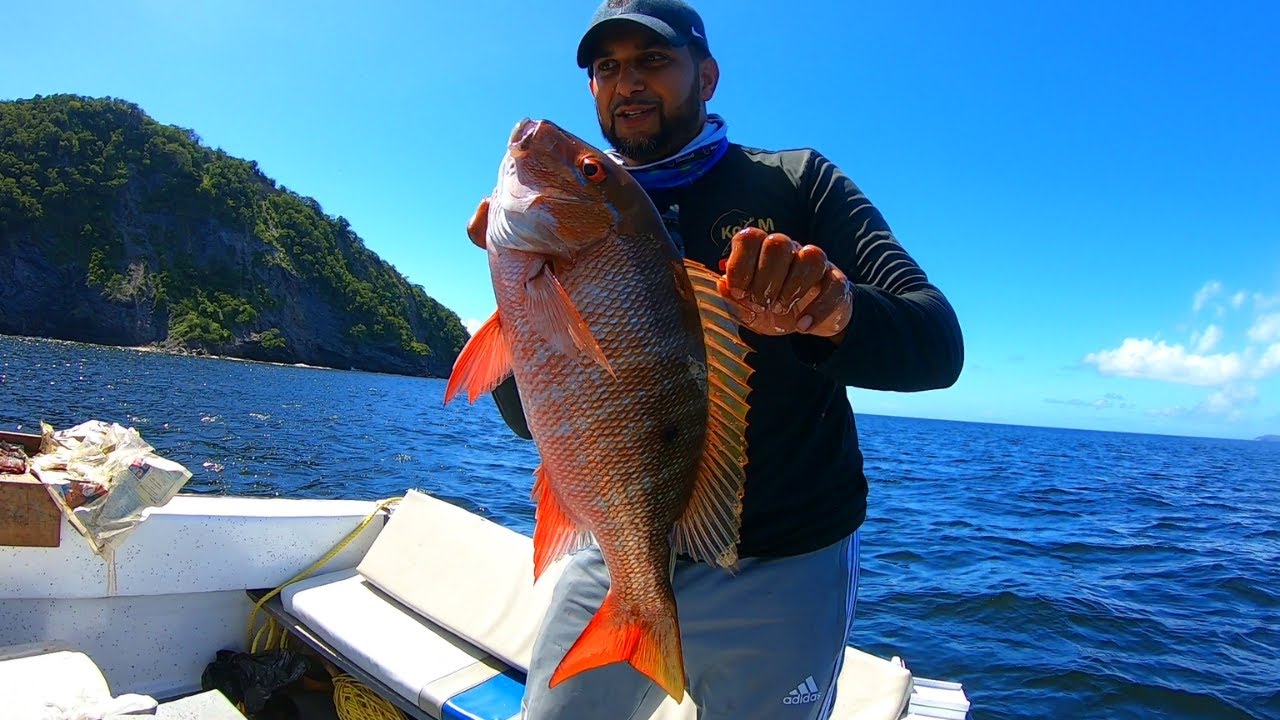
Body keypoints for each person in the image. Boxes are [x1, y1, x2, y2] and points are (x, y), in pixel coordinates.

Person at [480, 1, 964, 717]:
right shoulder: (555, 229)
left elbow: (937, 344)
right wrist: (520, 298)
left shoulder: (799, 181)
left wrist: (831, 312)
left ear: (706, 74)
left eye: (653, 60)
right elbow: (535, 423)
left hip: (785, 559)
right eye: (607, 68)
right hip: (615, 548)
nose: (628, 83)